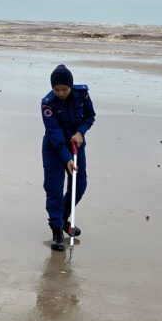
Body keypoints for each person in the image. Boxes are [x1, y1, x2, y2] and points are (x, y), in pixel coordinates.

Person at [41, 64, 96, 251]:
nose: (61, 93)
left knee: (79, 185)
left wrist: (81, 132)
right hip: (54, 148)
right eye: (57, 90)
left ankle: (63, 218)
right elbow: (54, 134)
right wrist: (66, 158)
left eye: (64, 89)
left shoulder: (82, 95)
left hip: (76, 145)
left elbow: (90, 116)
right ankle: (56, 229)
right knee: (54, 187)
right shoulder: (47, 103)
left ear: (71, 86)